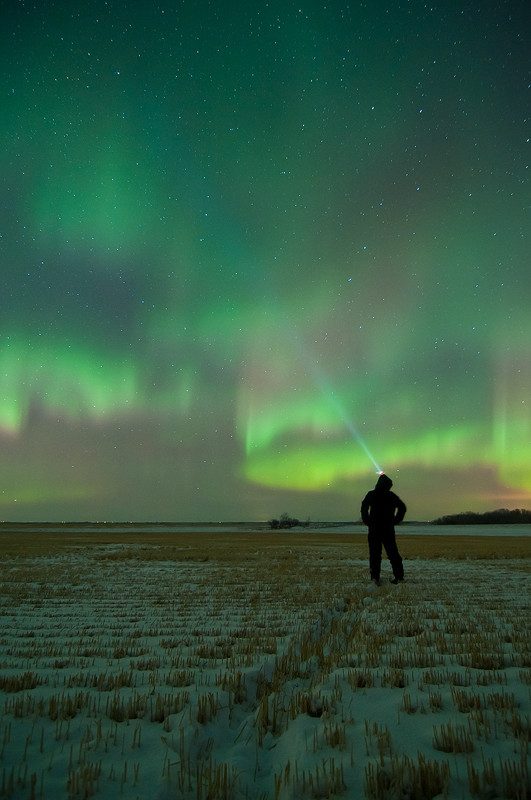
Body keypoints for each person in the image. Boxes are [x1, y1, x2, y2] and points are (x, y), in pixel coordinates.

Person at [361, 473, 406, 585]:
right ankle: (399, 577)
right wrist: (396, 520)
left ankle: (375, 578)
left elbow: (364, 507)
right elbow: (402, 508)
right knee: (392, 553)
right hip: (386, 528)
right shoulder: (390, 495)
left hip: (375, 528)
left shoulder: (372, 494)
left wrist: (367, 521)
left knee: (375, 555)